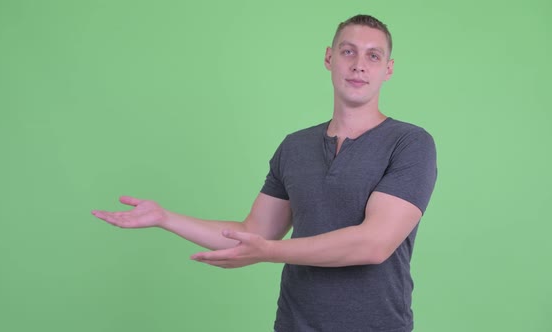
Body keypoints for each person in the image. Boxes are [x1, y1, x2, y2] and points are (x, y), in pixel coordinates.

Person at [92, 14, 437, 332]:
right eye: (349, 52)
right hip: (294, 324)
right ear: (329, 58)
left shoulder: (410, 143)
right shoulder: (294, 147)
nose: (359, 65)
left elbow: (373, 244)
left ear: (388, 69)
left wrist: (270, 252)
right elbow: (253, 233)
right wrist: (165, 218)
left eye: (373, 56)